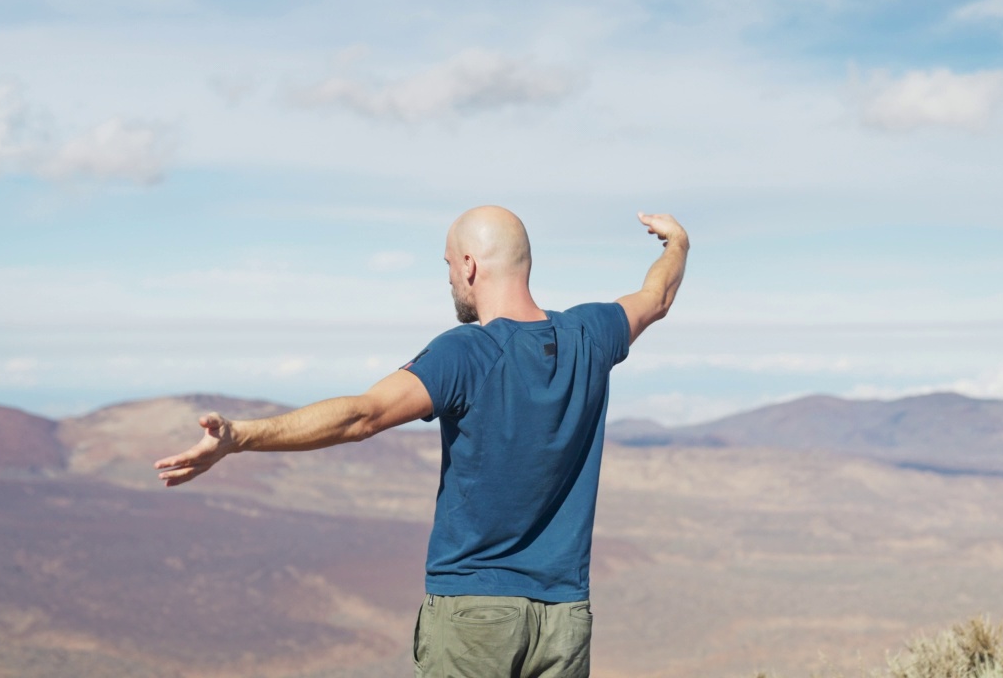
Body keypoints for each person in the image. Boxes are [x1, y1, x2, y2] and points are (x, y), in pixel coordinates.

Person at [154, 206, 689, 677]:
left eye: (448, 265)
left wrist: (241, 437)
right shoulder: (588, 336)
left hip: (475, 616)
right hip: (565, 619)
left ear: (469, 266)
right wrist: (677, 243)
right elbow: (656, 296)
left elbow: (363, 415)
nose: (450, 280)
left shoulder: (466, 354)